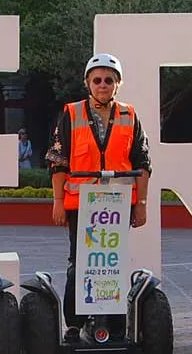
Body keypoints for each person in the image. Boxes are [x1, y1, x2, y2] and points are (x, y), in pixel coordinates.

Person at [45, 53, 151, 341]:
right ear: (88, 83)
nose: (103, 85)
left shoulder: (130, 116)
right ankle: (75, 323)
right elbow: (58, 161)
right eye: (97, 80)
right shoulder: (71, 114)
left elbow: (142, 163)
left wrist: (141, 205)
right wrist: (57, 201)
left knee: (112, 260)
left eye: (109, 80)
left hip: (117, 203)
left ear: (118, 84)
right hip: (81, 204)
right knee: (79, 261)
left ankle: (114, 325)